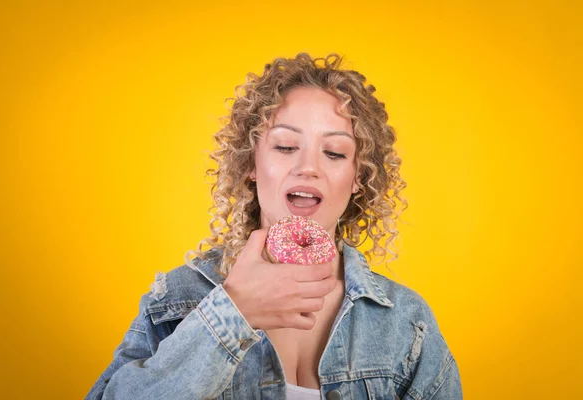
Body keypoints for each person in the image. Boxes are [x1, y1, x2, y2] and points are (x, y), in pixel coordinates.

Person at [86, 53, 463, 400]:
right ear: (250, 163)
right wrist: (232, 313)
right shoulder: (174, 302)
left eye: (334, 152)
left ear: (358, 178)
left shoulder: (406, 323)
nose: (308, 167)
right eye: (285, 146)